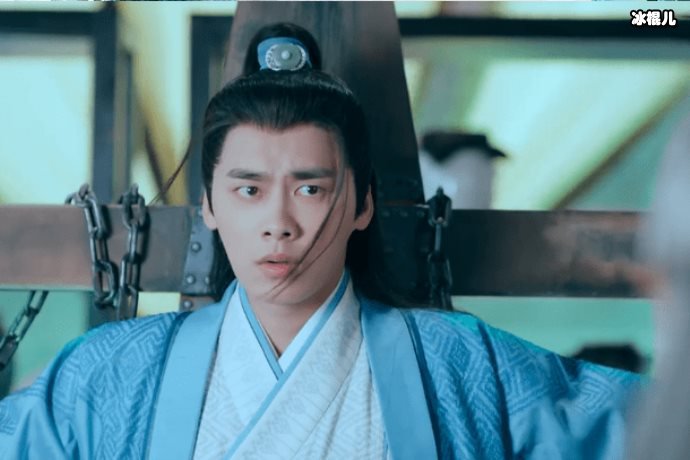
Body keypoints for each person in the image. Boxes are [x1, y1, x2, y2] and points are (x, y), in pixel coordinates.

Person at [0, 25, 639, 459]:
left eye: (310, 188)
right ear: (210, 206)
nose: (278, 222)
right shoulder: (109, 372)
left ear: (362, 204)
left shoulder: (461, 363)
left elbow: (644, 426)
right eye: (249, 189)